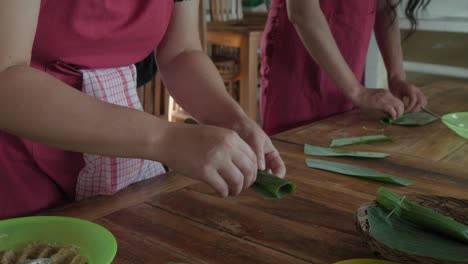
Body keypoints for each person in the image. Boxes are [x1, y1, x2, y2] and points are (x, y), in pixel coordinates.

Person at [0, 0, 286, 219]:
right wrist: (166, 139)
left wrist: (233, 119)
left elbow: (181, 53)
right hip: (20, 149)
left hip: (121, 142)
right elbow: (6, 78)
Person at [260, 0, 429, 135]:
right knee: (292, 154)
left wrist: (397, 77)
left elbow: (384, 7)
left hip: (349, 61)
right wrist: (357, 91)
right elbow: (302, 12)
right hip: (297, 60)